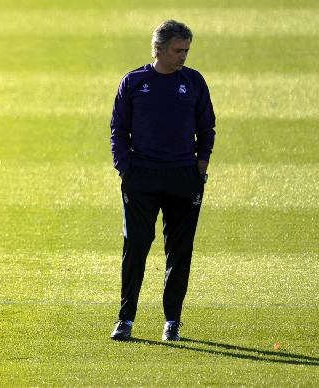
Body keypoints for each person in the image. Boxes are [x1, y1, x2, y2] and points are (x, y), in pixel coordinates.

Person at [109, 20, 216, 341]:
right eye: (177, 50)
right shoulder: (134, 82)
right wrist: (124, 169)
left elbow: (206, 127)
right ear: (158, 49)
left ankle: (172, 321)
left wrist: (200, 166)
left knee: (179, 250)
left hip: (183, 177)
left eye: (186, 50)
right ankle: (125, 319)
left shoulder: (193, 81)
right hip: (142, 177)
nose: (183, 56)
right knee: (136, 247)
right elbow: (118, 130)